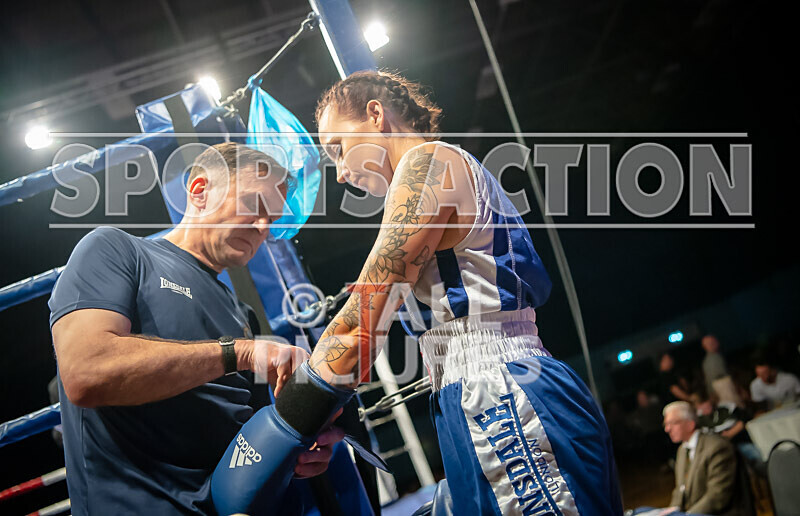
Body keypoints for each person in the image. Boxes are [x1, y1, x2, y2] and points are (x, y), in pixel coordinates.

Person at [210, 71, 622, 515]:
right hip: (477, 390)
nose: (341, 173)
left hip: (499, 391)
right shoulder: (435, 174)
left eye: (338, 148)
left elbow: (362, 320)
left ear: (375, 114)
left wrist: (286, 421)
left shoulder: (428, 165)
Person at [49, 143, 343, 515]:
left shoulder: (241, 313)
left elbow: (245, 444)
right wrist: (240, 352)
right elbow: (86, 372)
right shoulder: (115, 251)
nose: (263, 228)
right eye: (254, 205)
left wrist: (293, 452)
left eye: (272, 218)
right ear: (200, 190)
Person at [662, 401, 737, 515]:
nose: (667, 429)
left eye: (673, 423)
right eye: (666, 424)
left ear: (690, 424)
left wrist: (687, 515)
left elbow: (717, 495)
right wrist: (670, 511)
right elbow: (680, 490)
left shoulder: (717, 447)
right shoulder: (682, 450)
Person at [701, 335, 742, 407]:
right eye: (711, 343)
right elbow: (711, 379)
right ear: (705, 347)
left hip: (725, 387)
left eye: (714, 341)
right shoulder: (710, 360)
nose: (715, 344)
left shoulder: (716, 356)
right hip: (723, 389)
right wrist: (712, 393)